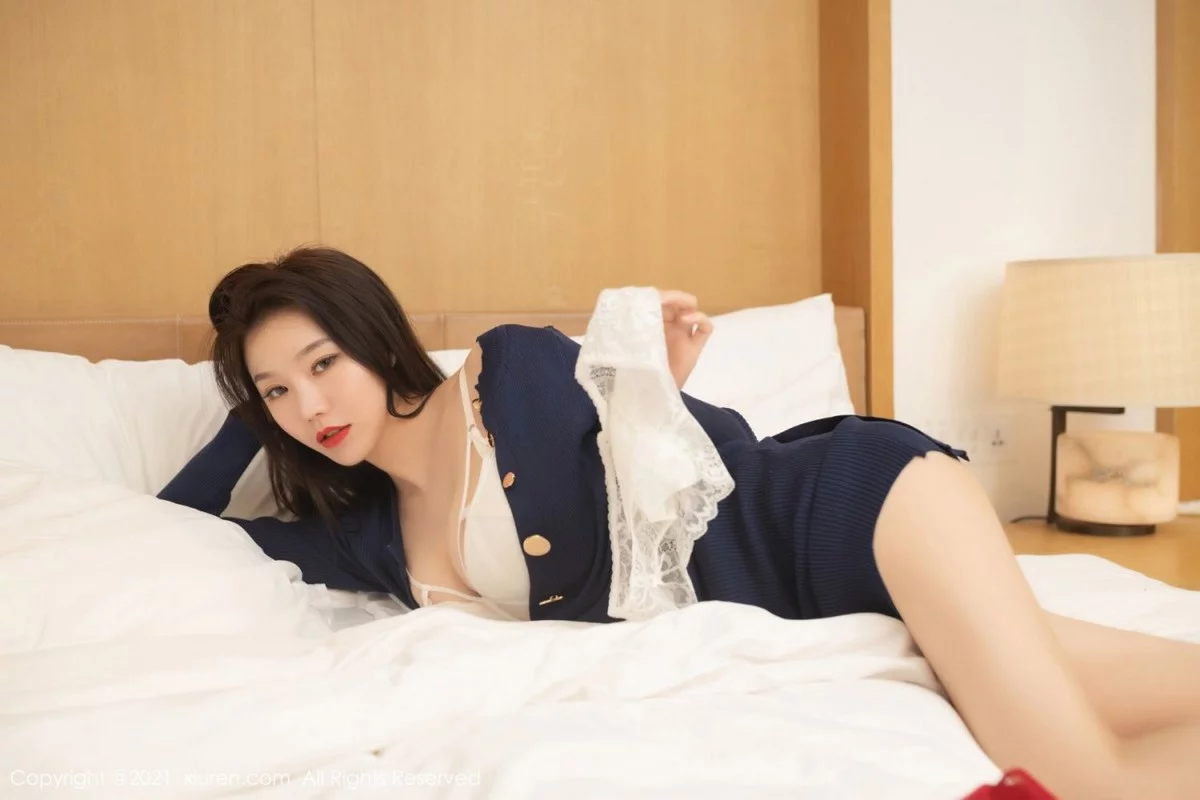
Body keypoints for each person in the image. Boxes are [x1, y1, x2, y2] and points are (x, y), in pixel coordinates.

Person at [159, 246, 1200, 800]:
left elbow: (706, 461)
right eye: (278, 390)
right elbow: (177, 525)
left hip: (852, 514)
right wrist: (252, 411)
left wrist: (656, 395)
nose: (311, 403)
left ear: (373, 338)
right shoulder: (365, 536)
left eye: (323, 363)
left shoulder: (503, 371)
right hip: (840, 614)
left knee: (1083, 778)